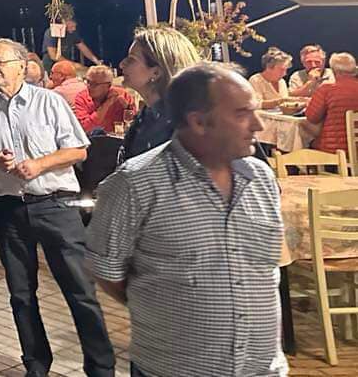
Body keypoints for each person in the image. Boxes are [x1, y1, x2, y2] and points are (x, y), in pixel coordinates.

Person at [88, 63, 285, 377]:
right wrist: (169, 307)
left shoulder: (260, 178)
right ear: (198, 122)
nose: (258, 124)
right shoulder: (134, 184)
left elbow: (265, 270)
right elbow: (107, 272)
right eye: (242, 114)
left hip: (263, 370)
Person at [0, 39, 114, 377]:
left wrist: (40, 164)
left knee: (80, 291)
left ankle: (101, 368)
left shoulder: (49, 101)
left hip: (55, 206)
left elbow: (78, 150)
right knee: (21, 294)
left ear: (21, 65)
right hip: (9, 210)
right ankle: (36, 364)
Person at [119, 26, 204, 161]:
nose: (122, 64)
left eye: (131, 59)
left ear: (156, 72)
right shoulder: (148, 116)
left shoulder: (178, 123)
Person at [303, 52, 358, 153]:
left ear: (334, 71)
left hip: (334, 149)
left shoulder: (327, 89)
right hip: (356, 149)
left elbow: (312, 117)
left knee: (304, 127)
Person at [72, 65, 134, 135]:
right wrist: (107, 103)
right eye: (88, 82)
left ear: (108, 86)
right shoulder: (82, 97)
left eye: (94, 84)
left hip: (117, 139)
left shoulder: (122, 95)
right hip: (91, 140)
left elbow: (135, 124)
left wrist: (127, 107)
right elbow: (85, 128)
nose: (89, 86)